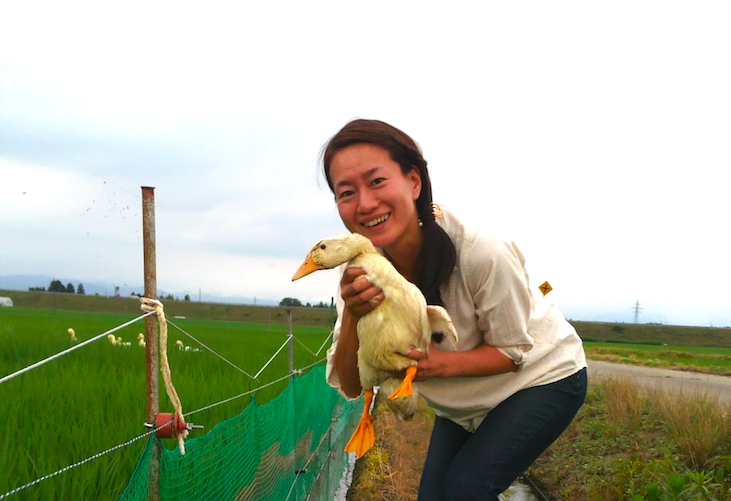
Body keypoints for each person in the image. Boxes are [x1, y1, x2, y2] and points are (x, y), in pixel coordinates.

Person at [321, 118, 587, 501]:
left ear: (414, 181)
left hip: (543, 377)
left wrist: (432, 366)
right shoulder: (362, 270)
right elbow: (350, 383)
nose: (364, 203)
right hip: (466, 399)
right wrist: (352, 312)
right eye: (346, 193)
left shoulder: (481, 250)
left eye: (377, 181)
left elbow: (513, 353)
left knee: (467, 488)